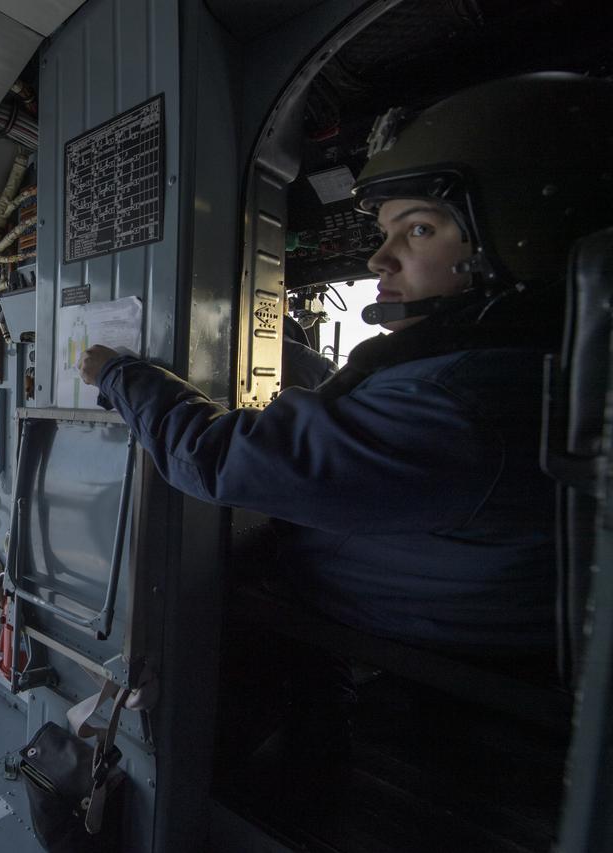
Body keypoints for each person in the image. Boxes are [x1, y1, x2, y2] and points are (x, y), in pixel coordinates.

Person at [80, 72, 613, 674]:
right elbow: (360, 413)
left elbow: (218, 459)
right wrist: (293, 356)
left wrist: (118, 374)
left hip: (391, 667)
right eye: (388, 233)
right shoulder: (519, 369)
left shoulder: (461, 404)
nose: (379, 259)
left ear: (520, 234)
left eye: (418, 229)